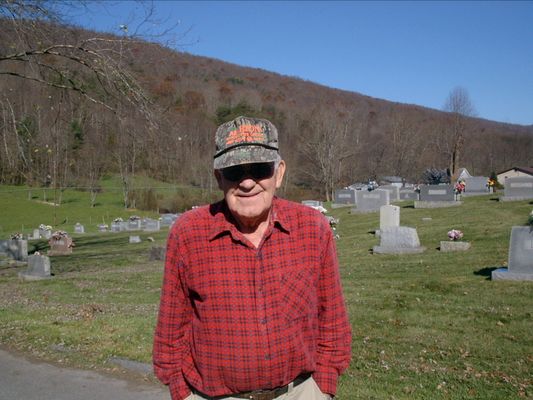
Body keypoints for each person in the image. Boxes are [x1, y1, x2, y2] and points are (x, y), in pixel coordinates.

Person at [153, 116, 352, 400]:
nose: (247, 182)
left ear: (279, 173)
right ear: (219, 177)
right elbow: (170, 331)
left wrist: (323, 386)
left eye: (259, 169)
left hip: (301, 392)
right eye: (235, 171)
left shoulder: (312, 228)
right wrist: (182, 392)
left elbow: (332, 320)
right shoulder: (188, 233)